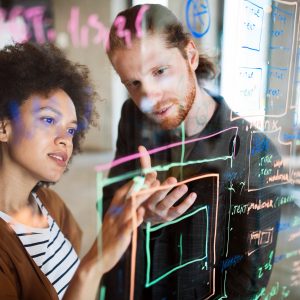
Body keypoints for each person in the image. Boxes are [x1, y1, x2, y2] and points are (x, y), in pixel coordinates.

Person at [102, 4, 283, 299]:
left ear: (191, 55)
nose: (149, 98)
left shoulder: (255, 153)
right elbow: (109, 203)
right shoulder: (133, 117)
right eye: (134, 83)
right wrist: (139, 215)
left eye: (160, 71)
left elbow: (246, 285)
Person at [0, 41, 160, 300]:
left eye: (71, 129)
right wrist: (93, 265)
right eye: (49, 120)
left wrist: (137, 220)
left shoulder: (51, 205)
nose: (65, 139)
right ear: (3, 127)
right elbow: (86, 275)